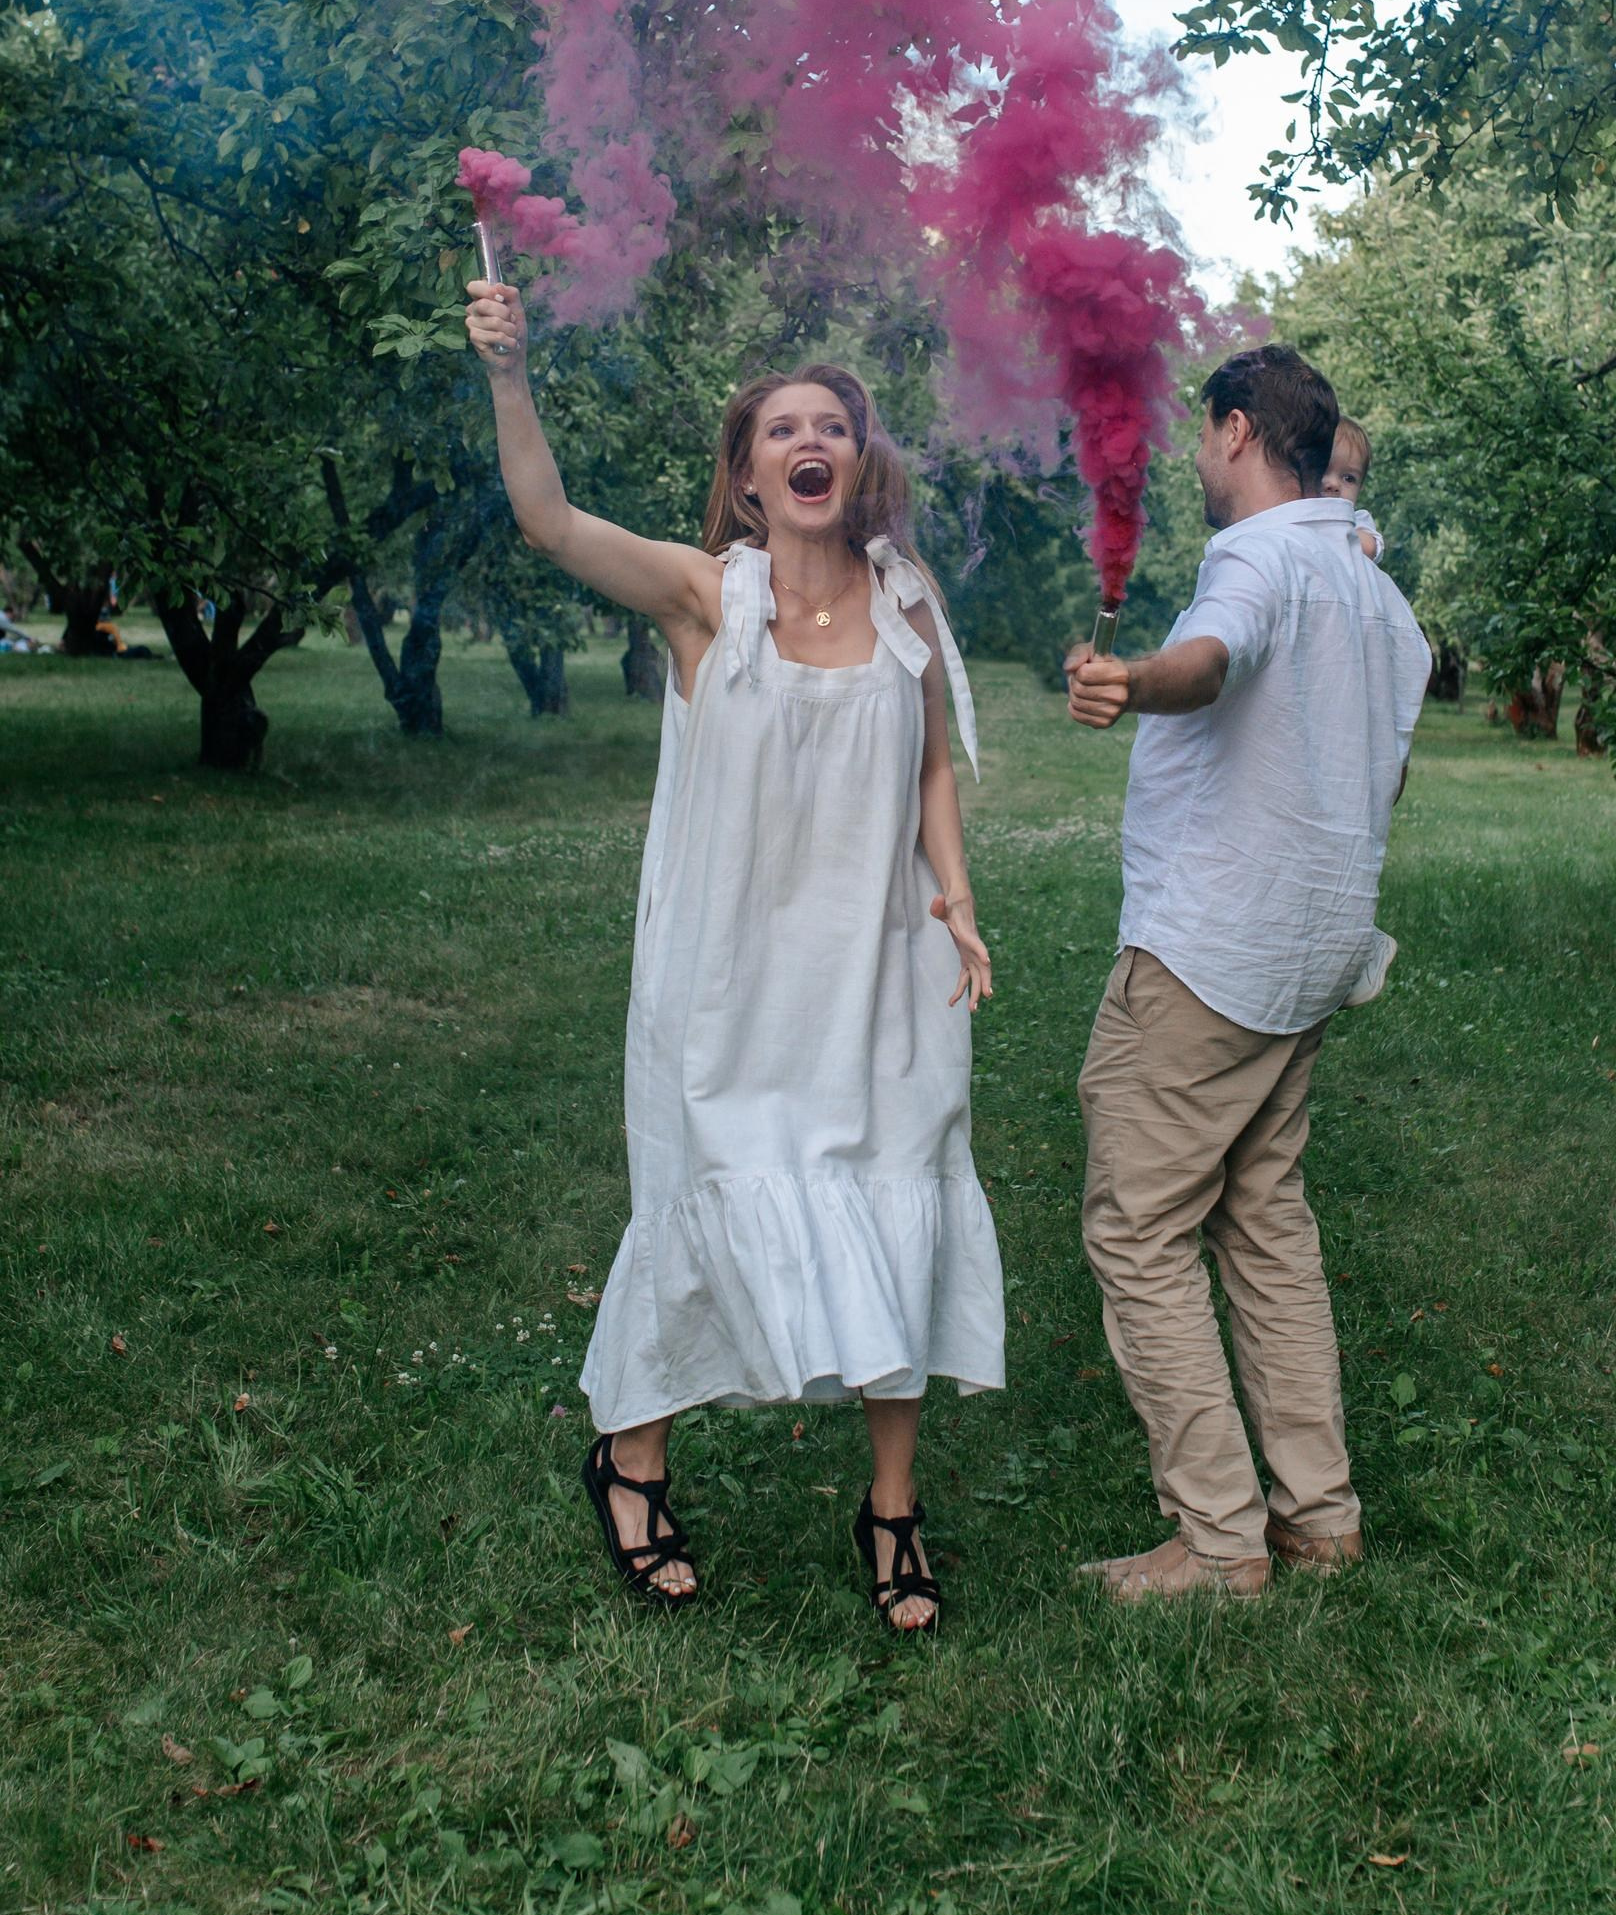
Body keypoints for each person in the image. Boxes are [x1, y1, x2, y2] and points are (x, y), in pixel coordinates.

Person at [467, 278, 1004, 1633]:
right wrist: (511, 372)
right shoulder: (707, 597)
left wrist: (956, 898)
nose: (811, 441)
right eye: (782, 429)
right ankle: (632, 1462)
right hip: (732, 980)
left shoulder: (905, 604)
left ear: (857, 463)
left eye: (833, 425)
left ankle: (893, 1510)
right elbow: (548, 521)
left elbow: (930, 767)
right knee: (703, 1196)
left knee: (896, 1194)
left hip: (878, 973)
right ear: (750, 476)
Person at [1065, 344, 1432, 1602]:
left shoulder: (1256, 559)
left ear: (1234, 429)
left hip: (1210, 955)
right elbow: (1383, 775)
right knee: (1263, 1221)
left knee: (1136, 1230)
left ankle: (1218, 1540)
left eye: (1200, 434)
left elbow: (1211, 661)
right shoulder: (1381, 601)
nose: (1193, 458)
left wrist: (1132, 679)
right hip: (1310, 952)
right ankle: (1317, 1517)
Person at [1325, 416, 1383, 560]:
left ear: (1360, 488)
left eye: (1348, 478)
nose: (1334, 484)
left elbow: (1369, 548)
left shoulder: (1356, 519)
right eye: (1323, 470)